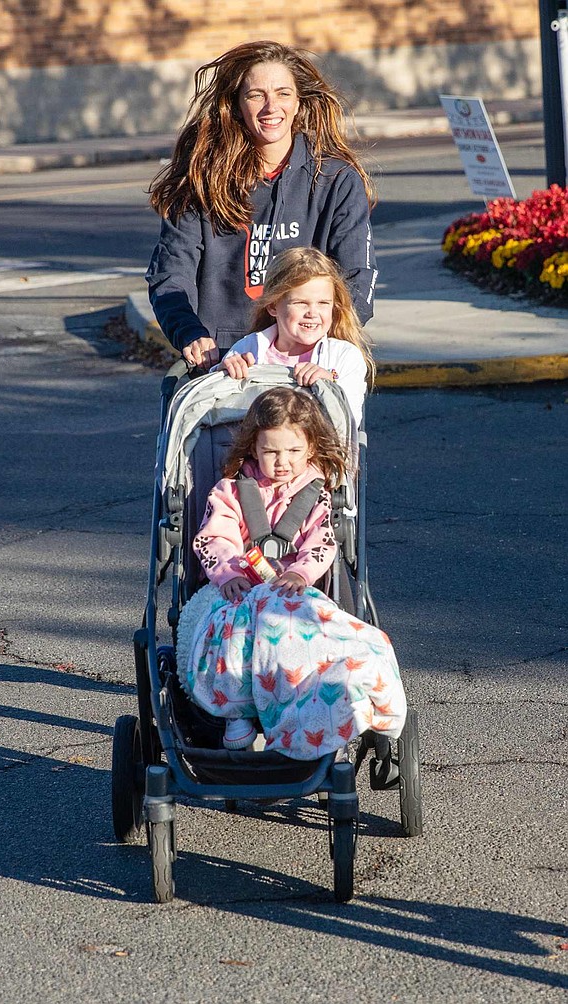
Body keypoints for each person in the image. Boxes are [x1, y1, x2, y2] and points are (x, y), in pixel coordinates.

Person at [183, 386, 406, 758]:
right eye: (270, 451)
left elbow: (323, 542)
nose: (282, 461)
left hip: (292, 592)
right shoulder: (231, 491)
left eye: (293, 451)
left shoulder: (316, 493)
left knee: (314, 639)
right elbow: (214, 537)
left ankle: (320, 714)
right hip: (239, 590)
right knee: (231, 636)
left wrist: (302, 572)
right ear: (253, 448)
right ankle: (237, 713)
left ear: (311, 450)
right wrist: (227, 572)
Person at [146, 40, 377, 371]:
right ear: (237, 104)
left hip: (304, 364)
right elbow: (172, 274)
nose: (271, 107)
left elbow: (357, 276)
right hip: (223, 363)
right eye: (256, 95)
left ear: (299, 103)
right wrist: (191, 334)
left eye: (283, 93)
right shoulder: (202, 180)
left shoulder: (336, 179)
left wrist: (328, 349)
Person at [217, 246, 376, 429]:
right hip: (254, 452)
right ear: (273, 306)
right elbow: (215, 412)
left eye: (323, 303)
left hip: (319, 454)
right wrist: (222, 372)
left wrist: (330, 388)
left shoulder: (343, 356)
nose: (312, 313)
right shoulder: (248, 349)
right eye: (301, 303)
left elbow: (348, 424)